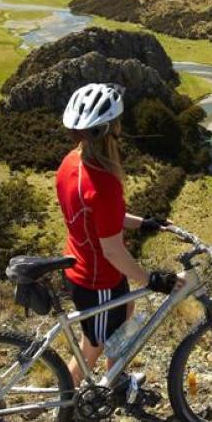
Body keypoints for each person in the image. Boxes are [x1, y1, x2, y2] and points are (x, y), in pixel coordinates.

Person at [56, 83, 181, 388]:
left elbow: (100, 220)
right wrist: (150, 279)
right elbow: (112, 249)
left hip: (87, 266)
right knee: (92, 346)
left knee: (126, 310)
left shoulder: (71, 163)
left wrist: (143, 223)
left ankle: (115, 378)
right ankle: (64, 403)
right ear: (109, 131)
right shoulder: (103, 183)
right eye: (118, 122)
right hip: (96, 278)